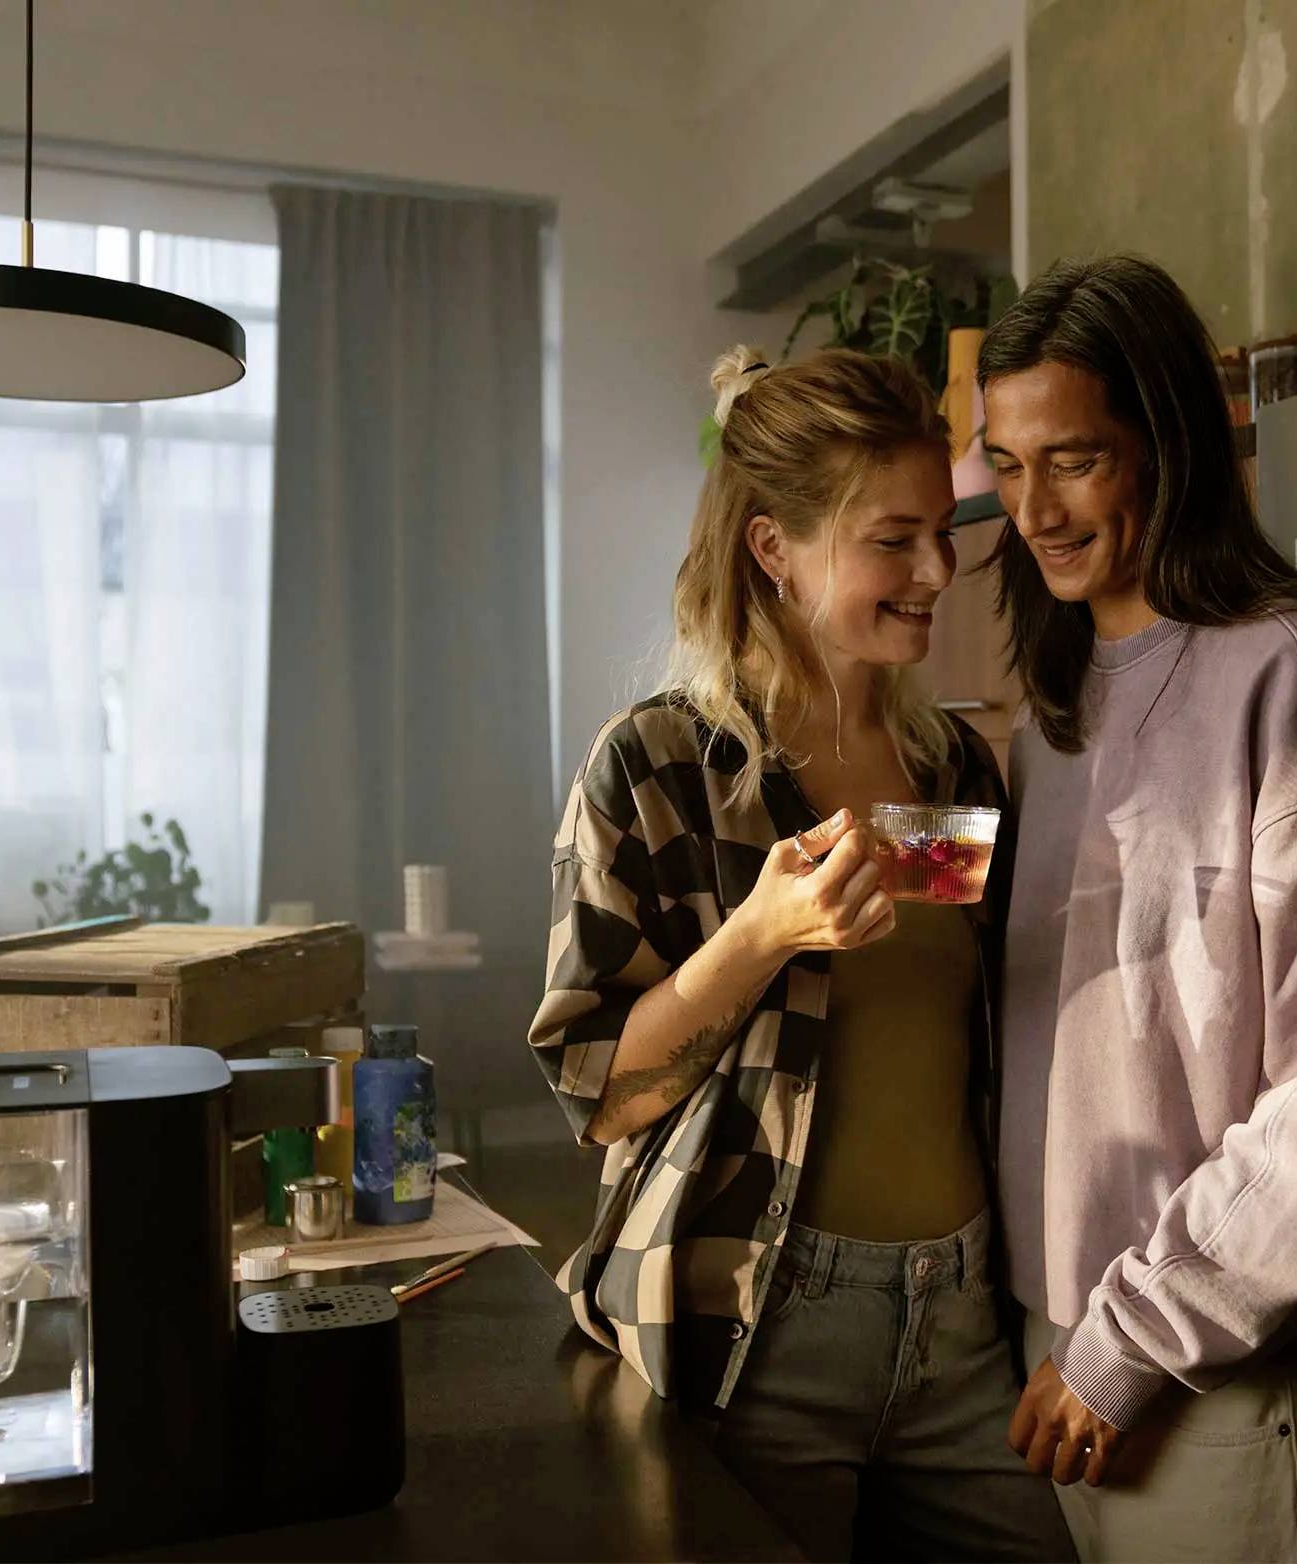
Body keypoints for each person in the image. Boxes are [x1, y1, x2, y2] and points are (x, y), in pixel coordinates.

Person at [529, 347, 1074, 1563]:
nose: (936, 571)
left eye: (941, 533)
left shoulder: (947, 771)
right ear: (773, 547)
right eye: (893, 540)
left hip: (963, 1322)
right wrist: (760, 934)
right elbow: (597, 1092)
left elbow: (967, 1028)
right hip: (758, 1330)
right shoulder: (661, 767)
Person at [978, 254, 1297, 1563]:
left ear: (1165, 443)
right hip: (1047, 1358)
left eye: (1073, 460)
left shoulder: (1289, 671)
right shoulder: (1049, 714)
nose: (1034, 510)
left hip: (1210, 1377)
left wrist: (1129, 1344)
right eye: (1007, 467)